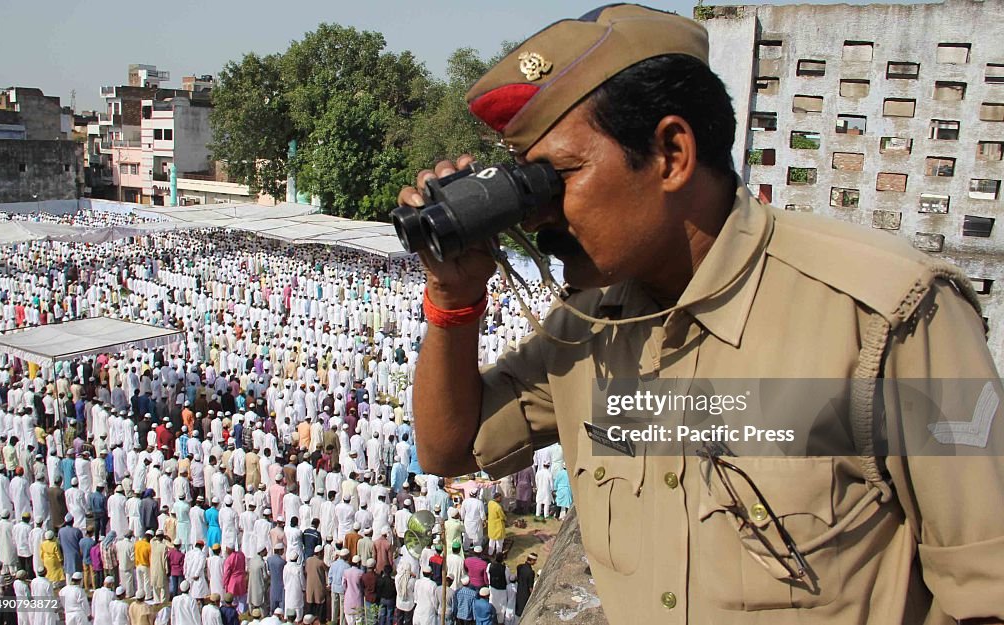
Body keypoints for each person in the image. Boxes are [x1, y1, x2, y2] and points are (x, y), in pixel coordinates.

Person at [403, 4, 1004, 624]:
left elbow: (986, 595)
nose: (535, 216)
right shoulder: (589, 329)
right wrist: (452, 300)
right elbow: (450, 448)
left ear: (671, 153)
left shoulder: (886, 315)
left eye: (557, 178)